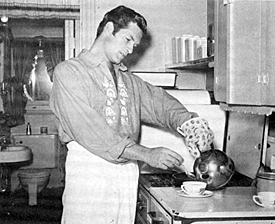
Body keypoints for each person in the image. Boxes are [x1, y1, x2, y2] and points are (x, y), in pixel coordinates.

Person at [49, 5, 201, 224]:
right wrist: (148, 154)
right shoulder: (70, 72)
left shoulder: (127, 80)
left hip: (127, 170)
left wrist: (189, 123)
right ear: (109, 29)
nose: (131, 50)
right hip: (90, 171)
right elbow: (93, 132)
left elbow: (159, 102)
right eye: (128, 40)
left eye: (135, 45)